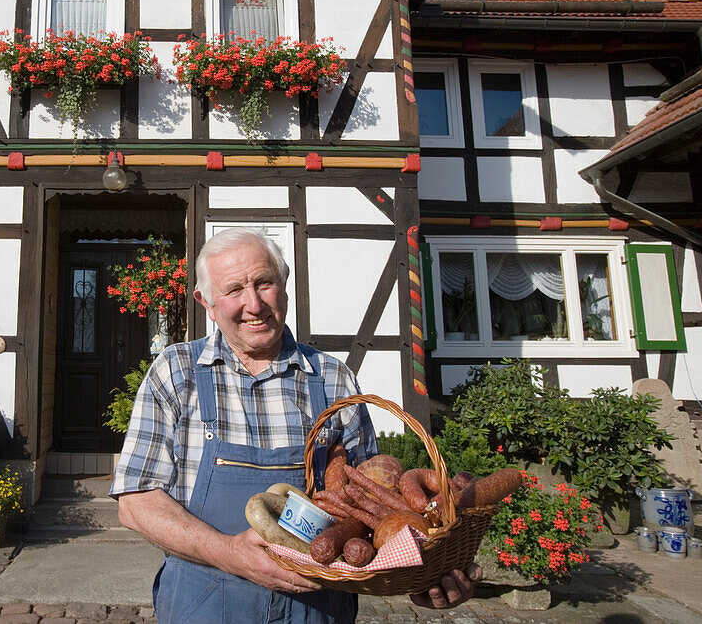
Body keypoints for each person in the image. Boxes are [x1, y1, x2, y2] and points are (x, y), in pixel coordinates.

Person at [110, 228, 480, 622]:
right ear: (207, 303)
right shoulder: (176, 371)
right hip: (204, 601)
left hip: (317, 608)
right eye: (234, 289)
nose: (254, 304)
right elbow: (136, 503)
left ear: (284, 286)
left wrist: (422, 574)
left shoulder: (334, 378)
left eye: (264, 283)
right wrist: (229, 553)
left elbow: (371, 509)